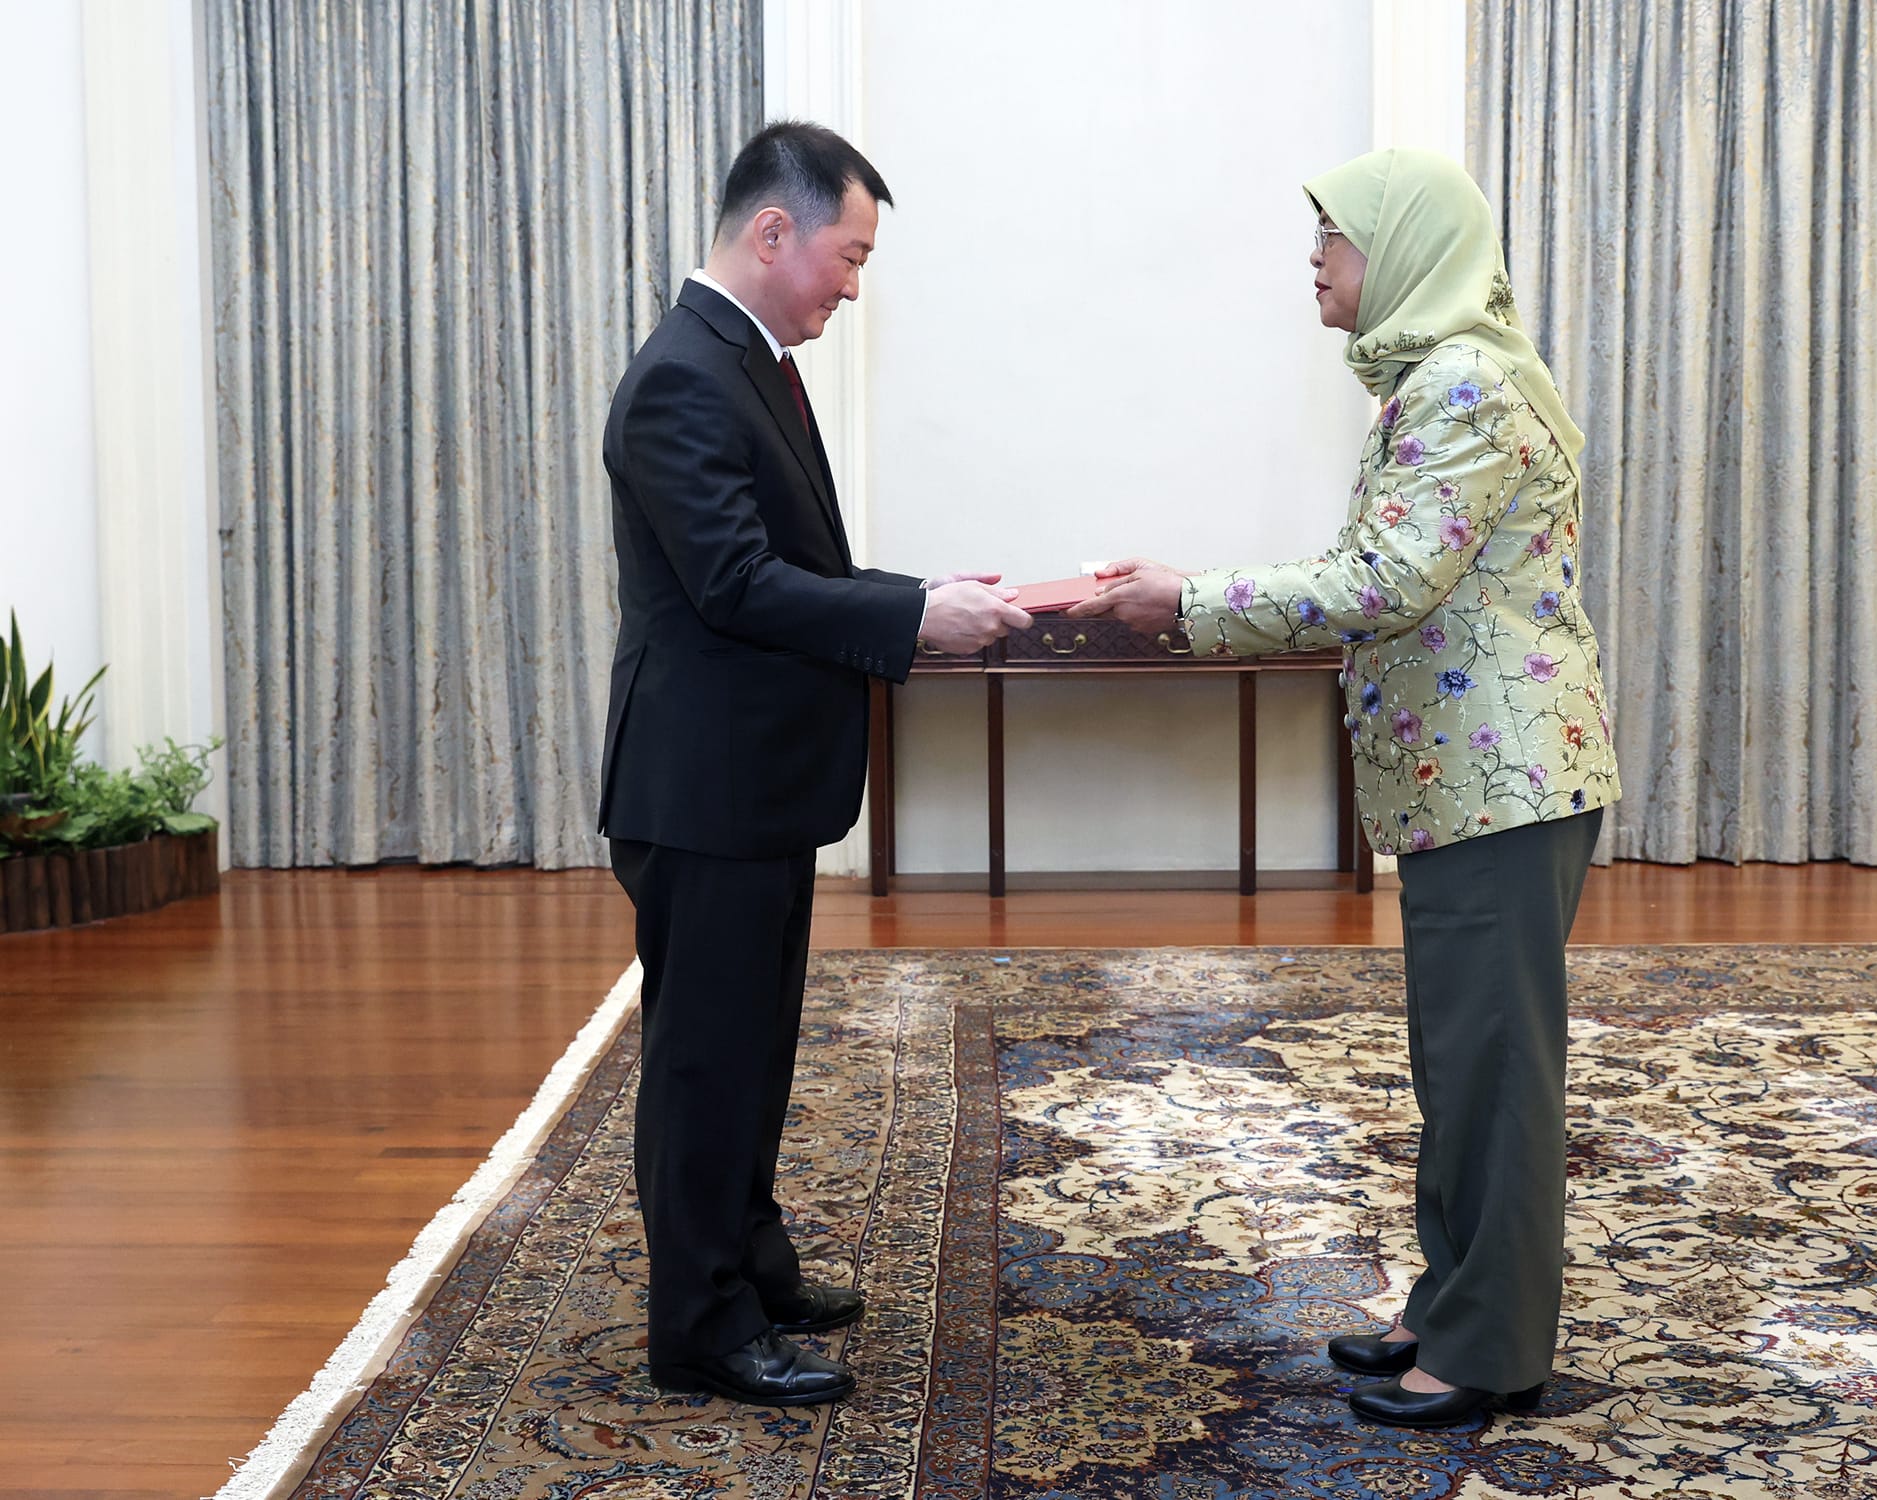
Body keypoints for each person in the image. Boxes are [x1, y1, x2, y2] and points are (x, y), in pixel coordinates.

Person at [1072, 146, 1622, 1429]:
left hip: (1504, 782)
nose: (1316, 259)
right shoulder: (1435, 380)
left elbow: (1383, 581)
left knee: (1494, 1070)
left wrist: (1188, 603)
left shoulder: (1469, 386)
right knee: (1460, 1059)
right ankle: (1452, 1306)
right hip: (1467, 783)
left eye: (1335, 235)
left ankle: (1490, 1352)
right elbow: (1377, 568)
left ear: (1408, 246)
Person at [598, 120, 1029, 1406]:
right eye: (848, 255)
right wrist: (909, 623)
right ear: (773, 232)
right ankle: (701, 1329)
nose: (854, 284)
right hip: (704, 785)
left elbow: (803, 574)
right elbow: (734, 585)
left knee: (755, 1044)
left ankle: (750, 1259)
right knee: (705, 1059)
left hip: (755, 783)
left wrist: (923, 593)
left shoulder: (748, 360)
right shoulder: (684, 374)